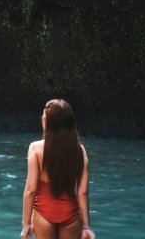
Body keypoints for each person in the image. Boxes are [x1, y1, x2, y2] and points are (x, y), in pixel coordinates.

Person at [20, 99, 96, 239]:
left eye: (44, 115)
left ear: (50, 121)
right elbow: (82, 192)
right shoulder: (80, 150)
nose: (42, 117)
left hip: (43, 214)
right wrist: (86, 226)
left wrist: (26, 225)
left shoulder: (35, 148)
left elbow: (30, 190)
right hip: (71, 215)